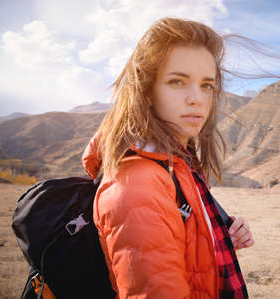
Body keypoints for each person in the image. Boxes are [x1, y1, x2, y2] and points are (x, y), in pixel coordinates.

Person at [81, 17, 254, 298]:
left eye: (206, 85)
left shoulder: (177, 164)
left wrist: (218, 232)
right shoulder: (137, 185)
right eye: (177, 82)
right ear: (147, 90)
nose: (196, 98)